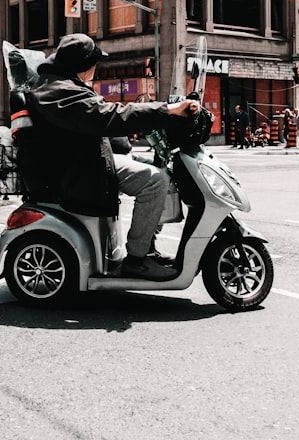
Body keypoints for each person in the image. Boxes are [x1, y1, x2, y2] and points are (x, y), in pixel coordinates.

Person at [17, 33, 199, 281]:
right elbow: (105, 115)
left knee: (161, 169)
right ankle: (137, 260)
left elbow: (95, 121)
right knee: (155, 181)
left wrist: (131, 138)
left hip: (80, 160)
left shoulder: (62, 84)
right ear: (83, 65)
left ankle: (147, 247)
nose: (95, 68)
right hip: (74, 170)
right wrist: (166, 109)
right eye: (94, 63)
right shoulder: (57, 91)